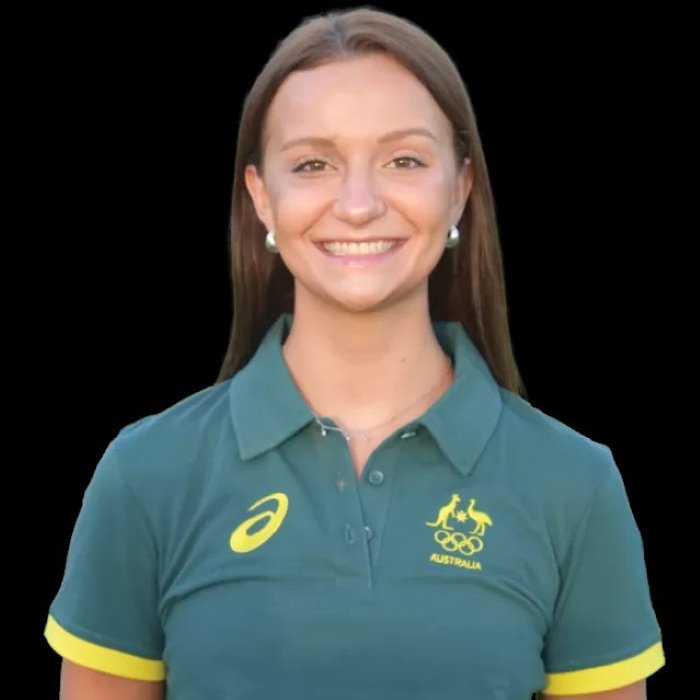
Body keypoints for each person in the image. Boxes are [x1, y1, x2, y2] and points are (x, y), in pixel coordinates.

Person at [44, 7, 665, 699]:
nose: (360, 204)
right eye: (313, 164)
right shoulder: (145, 474)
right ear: (261, 198)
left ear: (459, 189)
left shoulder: (574, 485)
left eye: (404, 160)